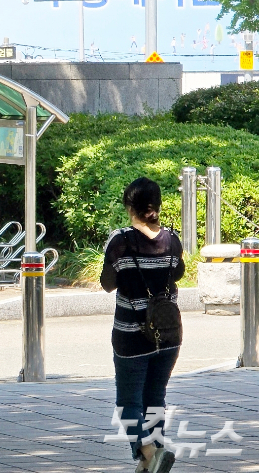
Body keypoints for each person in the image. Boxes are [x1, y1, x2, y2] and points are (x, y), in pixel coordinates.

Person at [100, 177, 184, 473]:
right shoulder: (173, 239)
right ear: (157, 206)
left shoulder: (120, 240)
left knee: (128, 403)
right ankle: (156, 455)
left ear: (129, 206)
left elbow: (108, 284)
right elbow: (178, 274)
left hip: (132, 335)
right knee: (155, 399)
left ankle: (149, 453)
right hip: (169, 333)